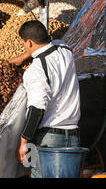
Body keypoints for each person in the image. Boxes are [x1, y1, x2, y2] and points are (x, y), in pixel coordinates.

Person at [9, 20, 81, 178]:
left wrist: (23, 142)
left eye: (24, 43)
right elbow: (50, 45)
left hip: (48, 140)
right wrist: (24, 56)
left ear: (28, 42)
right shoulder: (65, 50)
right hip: (74, 136)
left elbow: (37, 109)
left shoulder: (35, 71)